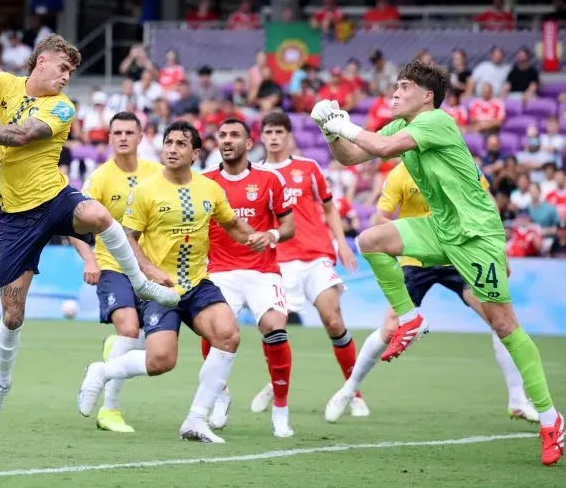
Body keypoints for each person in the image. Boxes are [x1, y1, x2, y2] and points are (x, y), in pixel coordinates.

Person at [314, 59, 563, 466]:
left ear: (426, 97)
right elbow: (352, 158)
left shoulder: (436, 122)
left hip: (476, 235)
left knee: (504, 325)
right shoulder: (405, 125)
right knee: (371, 239)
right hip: (441, 227)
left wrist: (340, 119)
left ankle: (551, 419)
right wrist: (329, 129)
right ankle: (409, 318)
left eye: (404, 86)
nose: (394, 92)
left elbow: (379, 148)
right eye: (394, 86)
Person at [0, 35, 179, 428]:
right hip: (15, 218)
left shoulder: (62, 106)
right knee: (12, 315)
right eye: (62, 68)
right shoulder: (3, 83)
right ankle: (2, 382)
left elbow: (21, 135)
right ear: (40, 62)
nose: (66, 76)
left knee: (97, 215)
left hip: (54, 198)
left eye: (71, 72)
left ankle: (140, 283)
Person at [75, 121, 274, 443]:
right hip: (159, 288)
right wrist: (148, 270)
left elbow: (232, 224)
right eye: (168, 142)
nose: (172, 148)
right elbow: (127, 238)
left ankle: (196, 420)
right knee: (161, 361)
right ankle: (102, 371)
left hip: (196, 283)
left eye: (181, 144)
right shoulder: (145, 190)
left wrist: (254, 238)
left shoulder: (209, 188)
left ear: (195, 153)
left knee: (228, 335)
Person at [325, 161, 539, 424]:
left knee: (501, 322)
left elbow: (488, 204)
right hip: (417, 260)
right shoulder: (400, 173)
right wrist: (401, 237)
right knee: (390, 328)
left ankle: (517, 400)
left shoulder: (457, 161)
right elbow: (380, 217)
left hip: (458, 256)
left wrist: (497, 250)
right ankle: (348, 391)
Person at [255, 111, 367, 418]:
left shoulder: (308, 168)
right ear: (262, 137)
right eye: (269, 132)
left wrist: (342, 243)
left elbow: (330, 208)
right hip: (278, 263)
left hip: (316, 256)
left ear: (289, 136)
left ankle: (353, 392)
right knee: (273, 329)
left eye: (280, 132)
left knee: (333, 320)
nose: (275, 137)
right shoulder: (257, 175)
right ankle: (275, 385)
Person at [203, 118, 296, 438]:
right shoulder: (205, 181)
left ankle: (281, 410)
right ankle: (219, 395)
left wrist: (270, 235)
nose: (227, 140)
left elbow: (289, 227)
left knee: (274, 327)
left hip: (262, 271)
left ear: (249, 142)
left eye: (234, 135)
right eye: (222, 135)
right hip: (220, 271)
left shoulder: (269, 180)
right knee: (212, 329)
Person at [75, 111, 162, 433]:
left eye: (129, 132)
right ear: (109, 138)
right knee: (129, 329)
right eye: (117, 133)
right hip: (113, 266)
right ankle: (110, 411)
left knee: (144, 342)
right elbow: (74, 224)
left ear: (141, 137)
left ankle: (103, 366)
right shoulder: (98, 179)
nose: (123, 137)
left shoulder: (158, 173)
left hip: (151, 270)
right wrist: (89, 260)